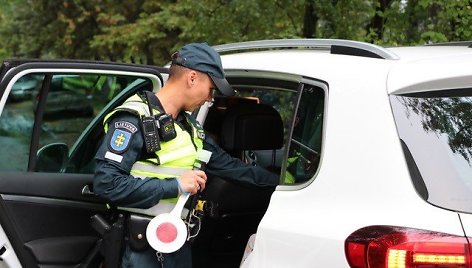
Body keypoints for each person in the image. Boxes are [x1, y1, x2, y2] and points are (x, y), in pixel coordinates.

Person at [93, 43, 279, 268]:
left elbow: (234, 169)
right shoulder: (133, 120)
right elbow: (107, 184)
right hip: (139, 246)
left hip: (176, 242)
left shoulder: (190, 129)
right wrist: (176, 186)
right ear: (192, 78)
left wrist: (287, 187)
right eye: (211, 89)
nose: (211, 98)